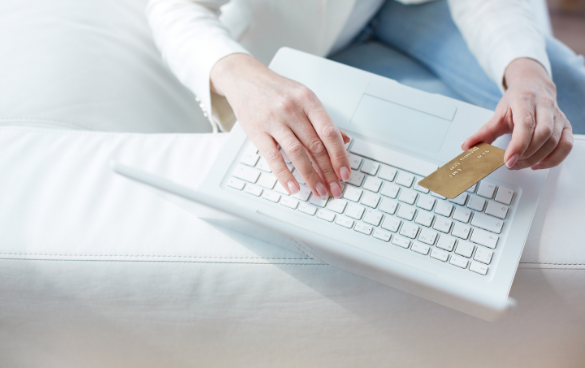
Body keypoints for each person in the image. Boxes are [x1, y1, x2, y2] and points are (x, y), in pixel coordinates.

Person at [146, 0, 583, 199]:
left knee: (562, 88)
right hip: (309, 47)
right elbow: (173, 8)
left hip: (397, 8)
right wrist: (239, 74)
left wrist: (529, 74)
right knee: (434, 148)